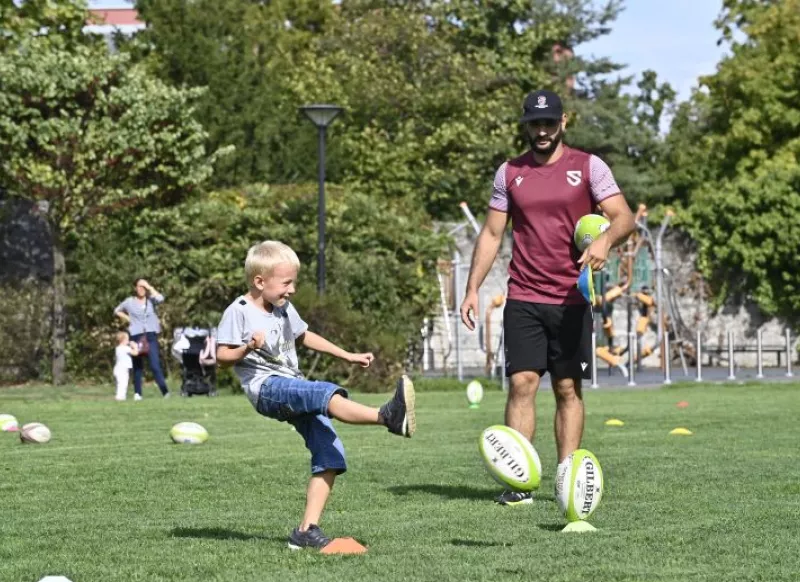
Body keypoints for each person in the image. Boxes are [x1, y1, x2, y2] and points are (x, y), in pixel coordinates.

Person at [460, 89, 635, 506]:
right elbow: (491, 234)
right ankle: (519, 484)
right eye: (534, 124)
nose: (541, 130)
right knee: (521, 383)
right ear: (526, 125)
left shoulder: (589, 167)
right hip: (524, 293)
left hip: (572, 297)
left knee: (566, 388)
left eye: (548, 123)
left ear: (563, 123)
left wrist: (605, 242)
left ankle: (568, 478)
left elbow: (624, 217)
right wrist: (471, 288)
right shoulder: (509, 173)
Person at [216, 240, 416, 550]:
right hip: (266, 388)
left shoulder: (283, 308)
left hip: (290, 385)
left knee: (330, 454)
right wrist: (247, 348)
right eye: (286, 282)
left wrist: (347, 355)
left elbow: (304, 335)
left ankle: (306, 532)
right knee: (320, 392)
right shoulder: (238, 312)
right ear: (259, 281)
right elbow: (222, 356)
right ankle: (387, 416)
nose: (292, 289)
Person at [114, 278, 170, 400]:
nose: (141, 289)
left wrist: (149, 287)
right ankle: (137, 393)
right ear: (135, 288)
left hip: (150, 335)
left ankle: (165, 392)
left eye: (143, 287)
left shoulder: (151, 301)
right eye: (139, 286)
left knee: (155, 365)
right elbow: (117, 310)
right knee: (138, 366)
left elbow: (161, 299)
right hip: (136, 335)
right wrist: (129, 319)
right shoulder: (129, 302)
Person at [113, 331, 139, 401]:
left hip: (118, 369)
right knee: (123, 384)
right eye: (127, 339)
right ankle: (120, 397)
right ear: (123, 340)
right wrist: (135, 346)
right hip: (122, 370)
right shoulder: (125, 348)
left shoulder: (118, 348)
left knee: (120, 384)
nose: (128, 340)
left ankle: (121, 397)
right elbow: (135, 353)